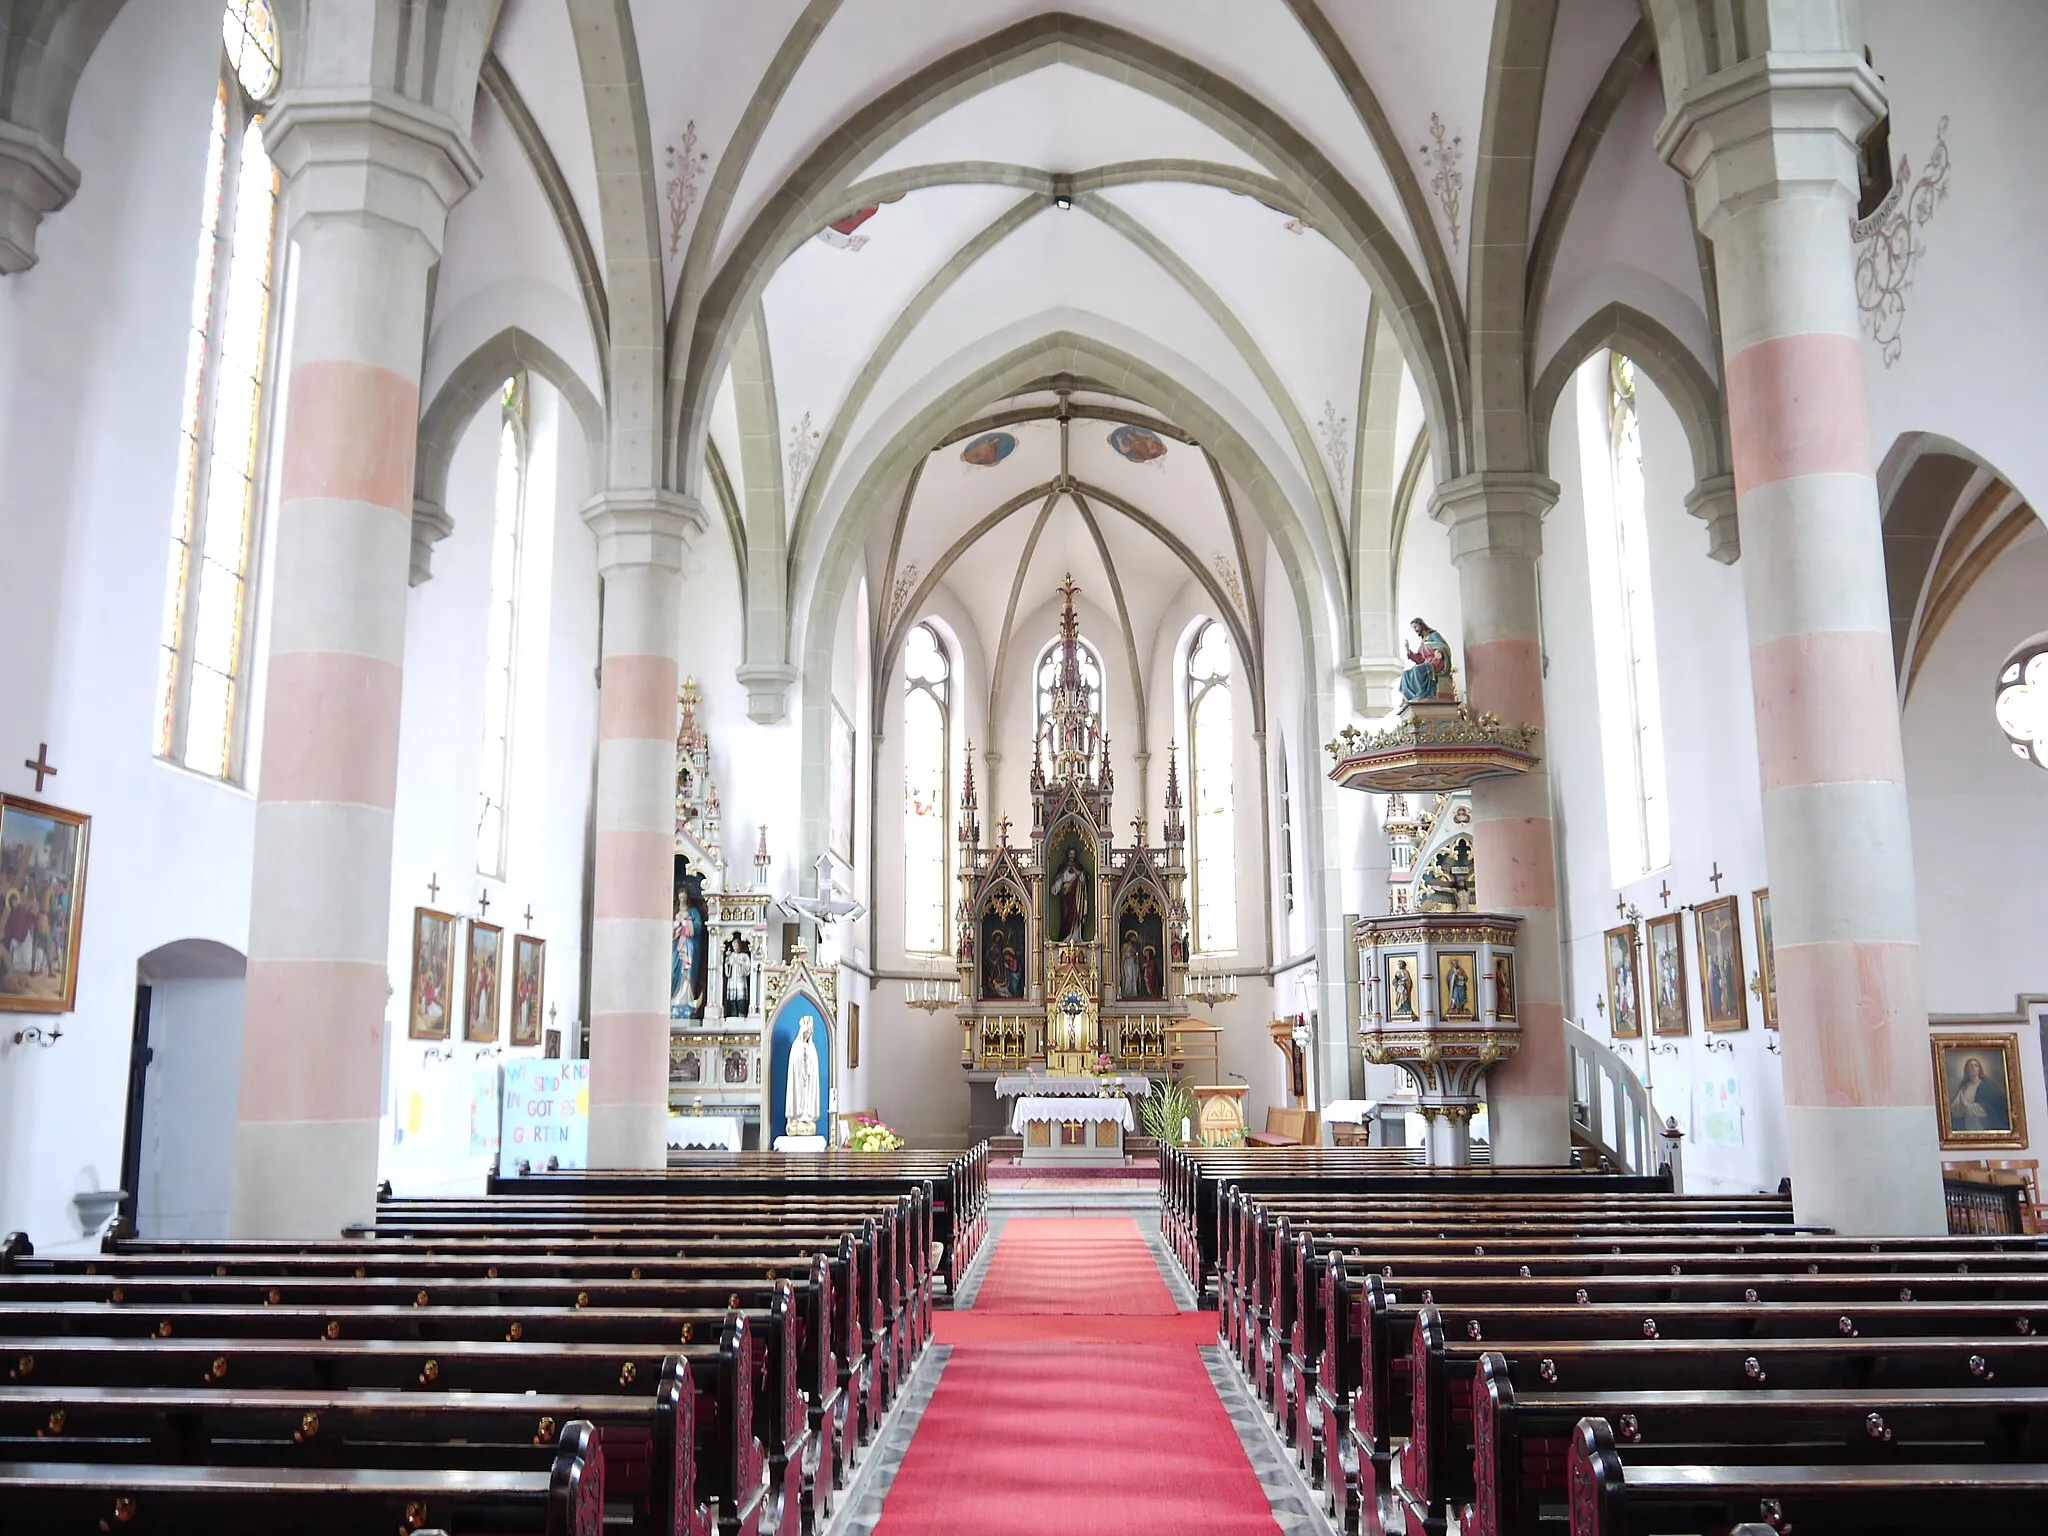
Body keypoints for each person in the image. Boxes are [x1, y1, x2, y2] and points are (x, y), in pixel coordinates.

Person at [1399, 618, 1454, 703]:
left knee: (1418, 670)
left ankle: (1423, 695)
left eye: (1416, 627)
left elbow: (1443, 646)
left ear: (1421, 625)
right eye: (1413, 628)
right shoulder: (1423, 641)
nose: (1415, 630)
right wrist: (1409, 652)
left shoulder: (1434, 635)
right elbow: (1420, 659)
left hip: (1436, 662)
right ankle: (1410, 697)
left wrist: (1439, 651)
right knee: (1406, 674)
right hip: (1426, 662)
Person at [1950, 1056, 2009, 1134]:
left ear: (1979, 1069)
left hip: (1983, 1125)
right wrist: (1960, 1107)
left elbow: (1991, 1107)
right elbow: (1953, 1107)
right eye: (1971, 1066)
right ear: (1967, 1069)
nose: (1973, 1068)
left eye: (1976, 1065)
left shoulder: (1986, 1086)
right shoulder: (1964, 1087)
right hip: (1968, 1124)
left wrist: (1968, 1106)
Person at [785, 1017, 821, 1136]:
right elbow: (794, 1064)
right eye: (807, 1032)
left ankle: (807, 1117)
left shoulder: (812, 1047)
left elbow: (814, 1065)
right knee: (797, 1096)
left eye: (810, 1032)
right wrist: (802, 1057)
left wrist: (808, 1061)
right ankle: (796, 1117)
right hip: (798, 1080)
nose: (808, 1034)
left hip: (808, 1081)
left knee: (807, 1099)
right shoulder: (796, 1046)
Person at [1049, 847, 1089, 940]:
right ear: (1067, 854)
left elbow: (1085, 878)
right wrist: (1056, 887)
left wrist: (1079, 873)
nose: (1072, 856)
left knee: (1076, 916)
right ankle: (1065, 937)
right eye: (1070, 854)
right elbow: (1060, 879)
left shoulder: (1078, 866)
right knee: (1065, 916)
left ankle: (1075, 936)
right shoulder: (1063, 866)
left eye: (1073, 854)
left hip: (1076, 897)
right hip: (1066, 896)